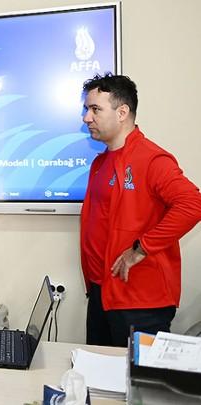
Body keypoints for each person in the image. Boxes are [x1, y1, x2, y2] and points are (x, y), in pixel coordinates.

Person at [80, 73, 201, 347]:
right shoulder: (100, 164)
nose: (86, 118)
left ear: (122, 112)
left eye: (95, 109)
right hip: (102, 295)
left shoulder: (151, 159)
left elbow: (192, 204)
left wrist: (141, 249)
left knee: (137, 376)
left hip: (139, 302)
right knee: (99, 371)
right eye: (86, 109)